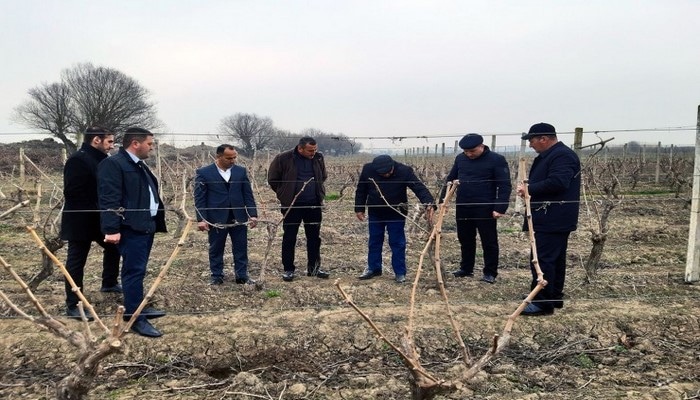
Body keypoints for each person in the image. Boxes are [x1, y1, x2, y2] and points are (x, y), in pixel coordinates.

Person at [98, 127, 167, 337]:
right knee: (133, 271)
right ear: (135, 143)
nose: (152, 148)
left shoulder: (138, 164)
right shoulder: (114, 164)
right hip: (130, 227)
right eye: (149, 144)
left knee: (139, 269)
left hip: (145, 225)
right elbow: (109, 198)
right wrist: (111, 229)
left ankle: (136, 308)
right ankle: (135, 317)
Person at [516, 122, 581, 316]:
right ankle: (553, 296)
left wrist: (529, 189)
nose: (530, 145)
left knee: (543, 259)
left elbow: (558, 182)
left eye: (532, 140)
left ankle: (542, 303)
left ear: (543, 139)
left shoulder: (561, 155)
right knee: (555, 259)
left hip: (552, 217)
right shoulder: (553, 154)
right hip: (552, 216)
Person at [61, 126, 121, 320]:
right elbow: (72, 192)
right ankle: (74, 304)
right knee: (77, 261)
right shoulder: (78, 160)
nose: (112, 146)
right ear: (96, 140)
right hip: (80, 220)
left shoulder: (103, 159)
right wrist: (98, 205)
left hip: (99, 218)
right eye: (109, 141)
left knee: (114, 247)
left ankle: (109, 283)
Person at [355, 155, 435, 283]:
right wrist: (359, 208)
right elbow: (361, 189)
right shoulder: (368, 169)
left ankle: (400, 272)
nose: (386, 175)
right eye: (382, 174)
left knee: (397, 242)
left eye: (388, 172)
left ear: (393, 166)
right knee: (374, 241)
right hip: (375, 211)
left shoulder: (404, 171)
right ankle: (373, 268)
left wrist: (429, 203)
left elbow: (418, 187)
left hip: (396, 212)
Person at [443, 133, 512, 284]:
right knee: (465, 238)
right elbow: (450, 180)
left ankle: (490, 272)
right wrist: (444, 201)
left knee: (489, 241)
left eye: (472, 151)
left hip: (485, 207)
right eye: (466, 151)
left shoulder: (496, 160)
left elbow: (504, 185)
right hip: (463, 205)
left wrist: (500, 207)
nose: (469, 154)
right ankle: (466, 268)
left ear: (481, 146)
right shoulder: (460, 159)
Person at [267, 137, 331, 282]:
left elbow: (323, 176)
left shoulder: (318, 158)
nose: (313, 153)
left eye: (315, 150)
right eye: (310, 150)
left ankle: (314, 268)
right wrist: (284, 193)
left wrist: (318, 193)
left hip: (313, 204)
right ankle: (288, 269)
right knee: (289, 237)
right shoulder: (283, 158)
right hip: (291, 205)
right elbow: (273, 179)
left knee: (314, 237)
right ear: (300, 148)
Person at [194, 145, 258, 286]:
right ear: (218, 157)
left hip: (238, 216)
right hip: (216, 218)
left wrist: (252, 214)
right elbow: (199, 198)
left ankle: (241, 276)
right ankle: (216, 276)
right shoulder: (204, 173)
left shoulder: (240, 172)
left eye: (234, 157)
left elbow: (248, 194)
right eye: (229, 158)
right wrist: (202, 219)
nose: (233, 160)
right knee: (216, 248)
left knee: (241, 247)